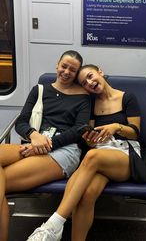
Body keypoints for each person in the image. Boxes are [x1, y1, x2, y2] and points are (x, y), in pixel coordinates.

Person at [27, 64, 141, 241]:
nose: (90, 82)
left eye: (90, 76)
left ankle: (54, 225)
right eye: (84, 83)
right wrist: (89, 139)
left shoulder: (127, 97)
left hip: (126, 154)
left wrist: (116, 127)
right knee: (86, 195)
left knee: (92, 156)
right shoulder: (91, 103)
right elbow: (90, 141)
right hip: (100, 155)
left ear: (100, 72)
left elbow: (135, 133)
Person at [0, 50, 91, 241]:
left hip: (64, 150)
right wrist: (33, 135)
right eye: (64, 66)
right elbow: (22, 121)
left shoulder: (83, 97)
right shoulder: (40, 90)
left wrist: (45, 145)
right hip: (35, 143)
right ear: (57, 65)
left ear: (77, 74)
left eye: (72, 70)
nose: (66, 72)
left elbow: (78, 131)